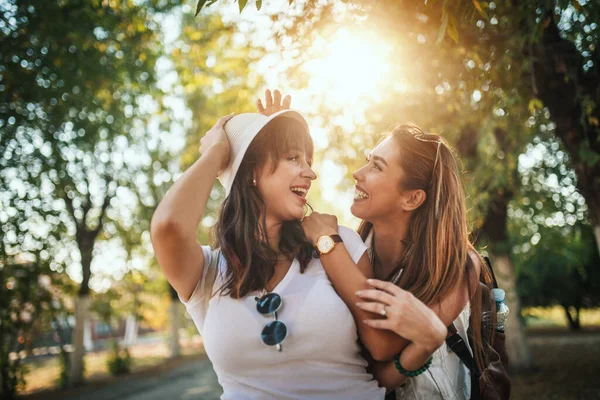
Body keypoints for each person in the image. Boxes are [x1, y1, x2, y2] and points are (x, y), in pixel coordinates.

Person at [151, 100, 446, 399]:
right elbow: (168, 228)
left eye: (308, 160)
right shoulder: (208, 272)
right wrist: (217, 153)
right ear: (252, 171)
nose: (311, 173)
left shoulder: (335, 241)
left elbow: (381, 346)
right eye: (294, 158)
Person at [300, 122, 493, 399]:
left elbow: (382, 347)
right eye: (368, 161)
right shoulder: (353, 252)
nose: (357, 173)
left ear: (412, 198)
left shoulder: (459, 266)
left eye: (376, 166)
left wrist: (326, 243)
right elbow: (372, 374)